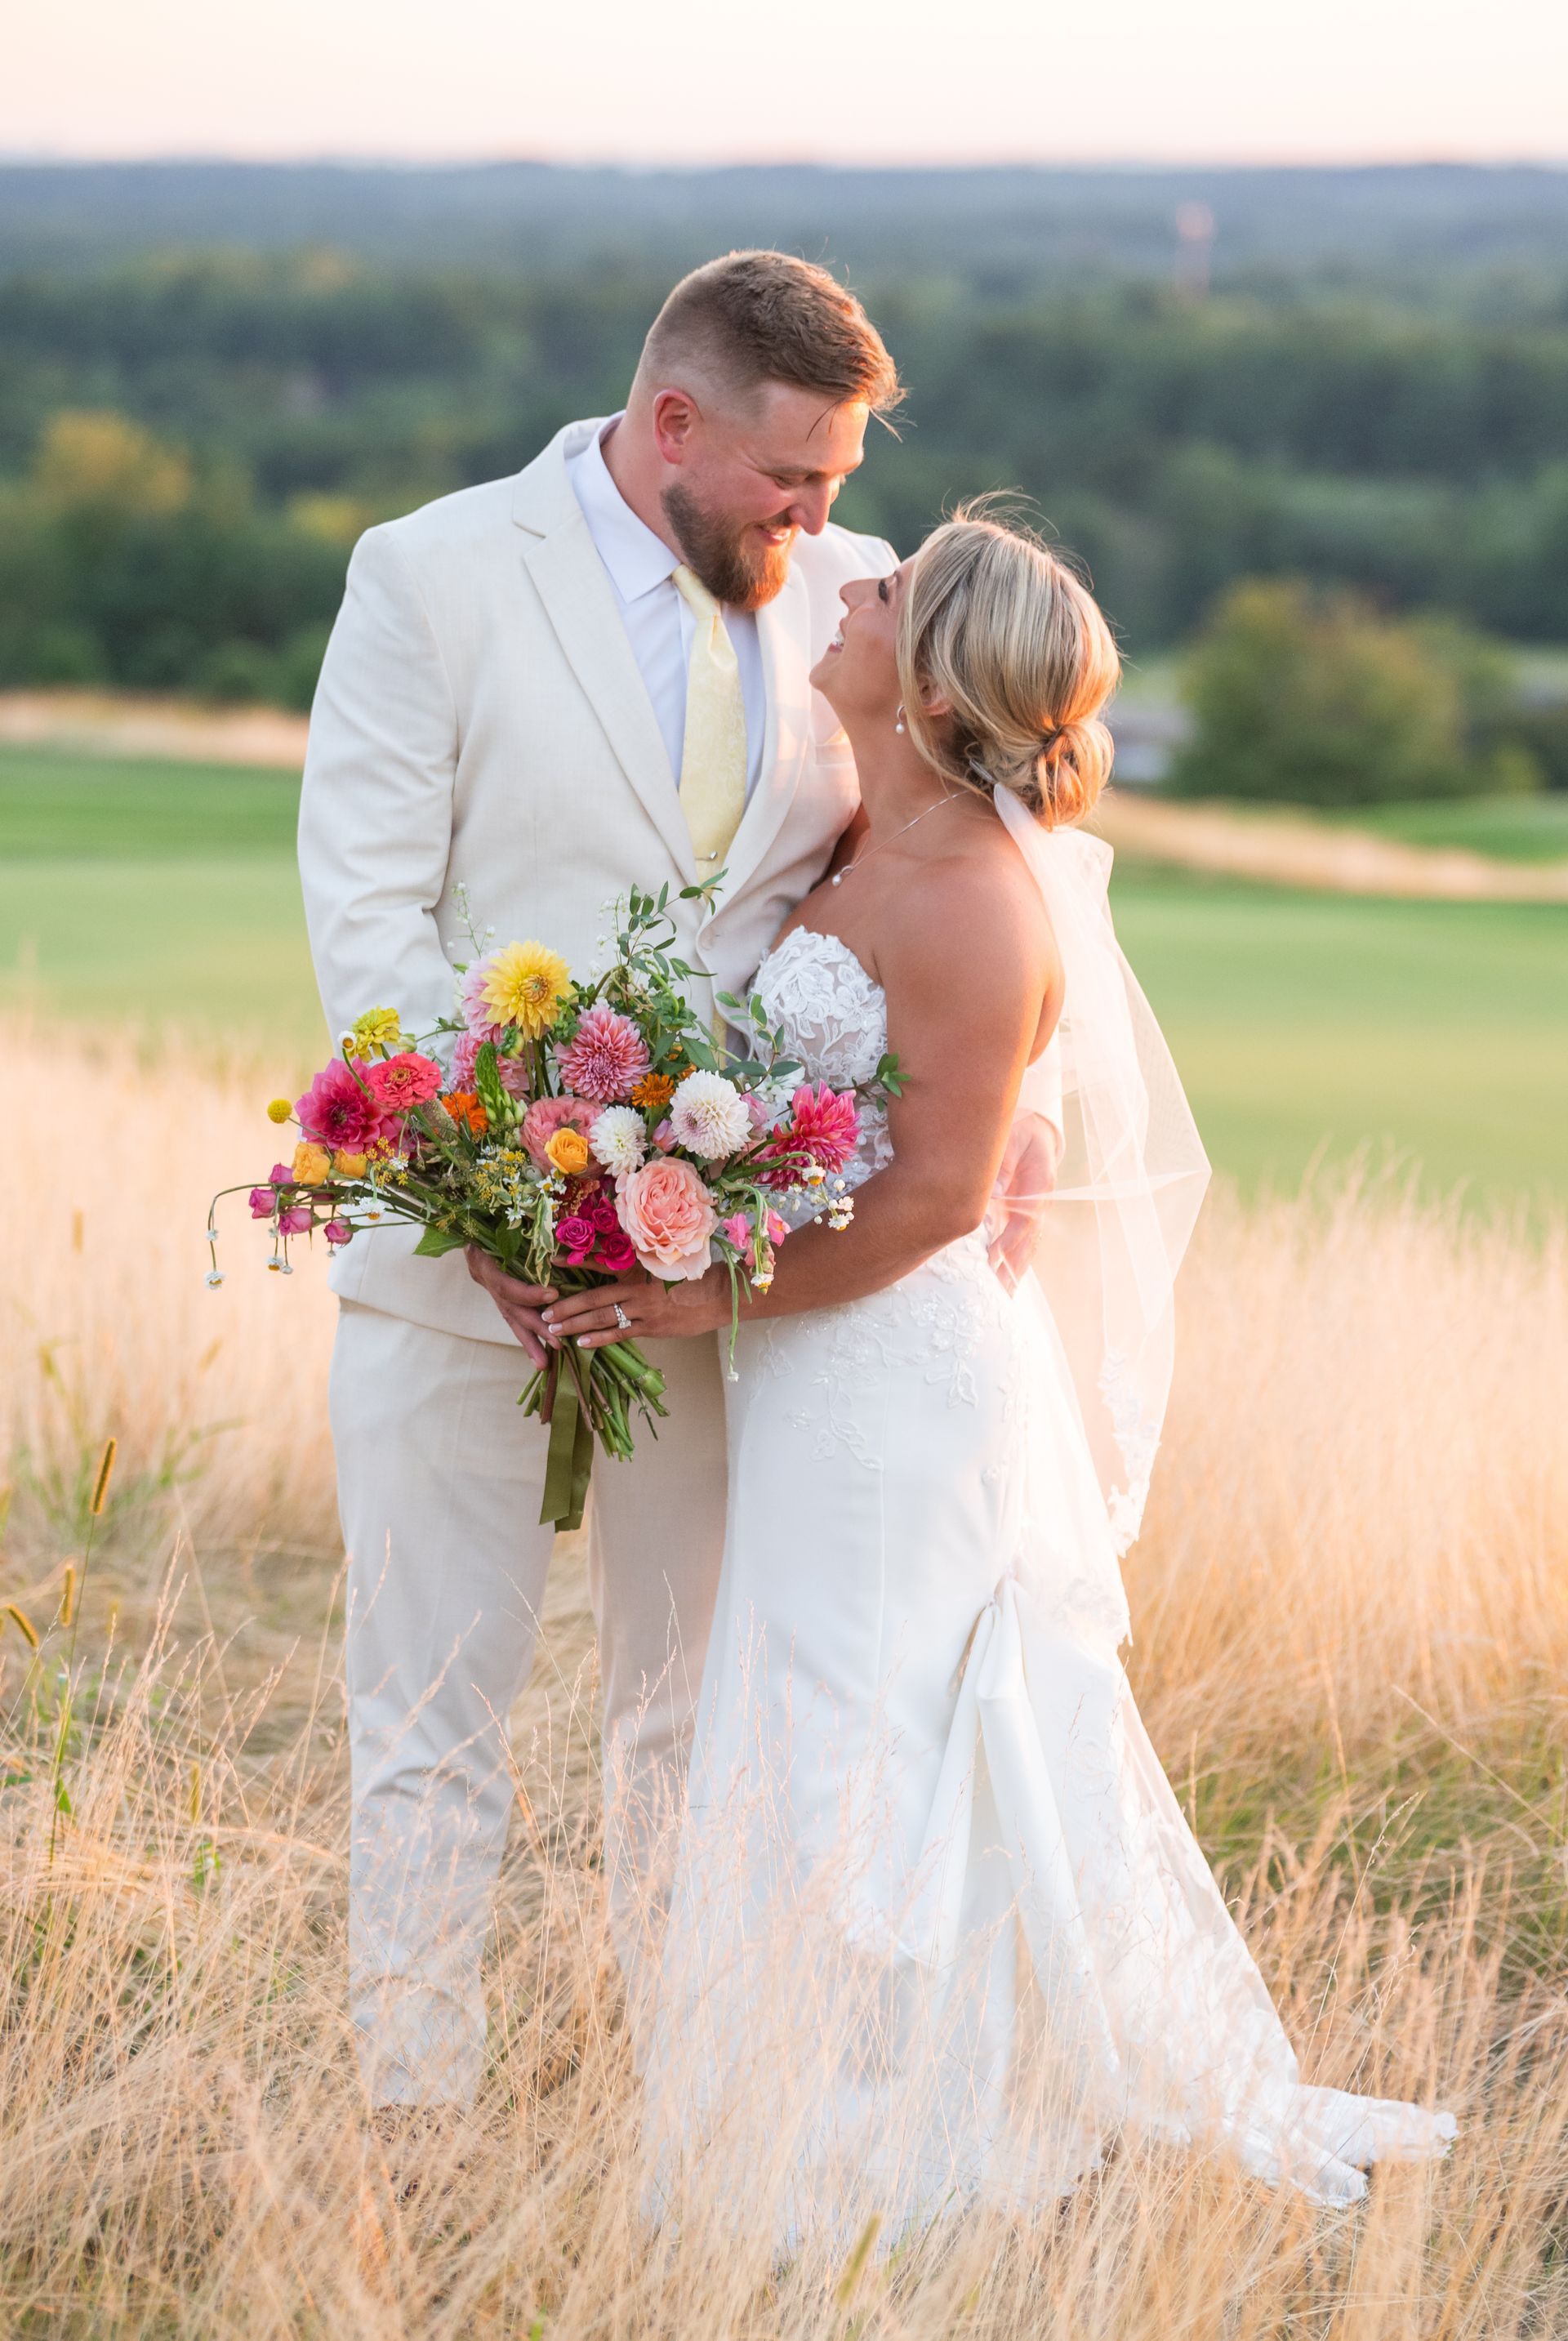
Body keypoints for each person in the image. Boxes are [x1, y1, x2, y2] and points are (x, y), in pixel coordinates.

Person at [539, 513, 1456, 2240]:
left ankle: (879, 2154)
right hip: (818, 1357)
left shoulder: (971, 897)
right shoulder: (865, 836)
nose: (849, 591)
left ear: (937, 669)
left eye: (881, 593)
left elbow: (939, 1199)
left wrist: (686, 1299)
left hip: (895, 1373)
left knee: (853, 1737)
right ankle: (806, 2105)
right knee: (811, 1717)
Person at [298, 250, 907, 2111]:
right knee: (427, 1709)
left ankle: (683, 2106)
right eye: (793, 477)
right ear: (669, 425)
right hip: (454, 1264)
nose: (823, 519)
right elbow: (371, 920)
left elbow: (859, 896)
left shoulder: (842, 615)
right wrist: (502, 1195)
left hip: (704, 1282)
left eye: (839, 480)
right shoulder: (435, 574)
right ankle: (415, 2102)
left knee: (685, 1713)